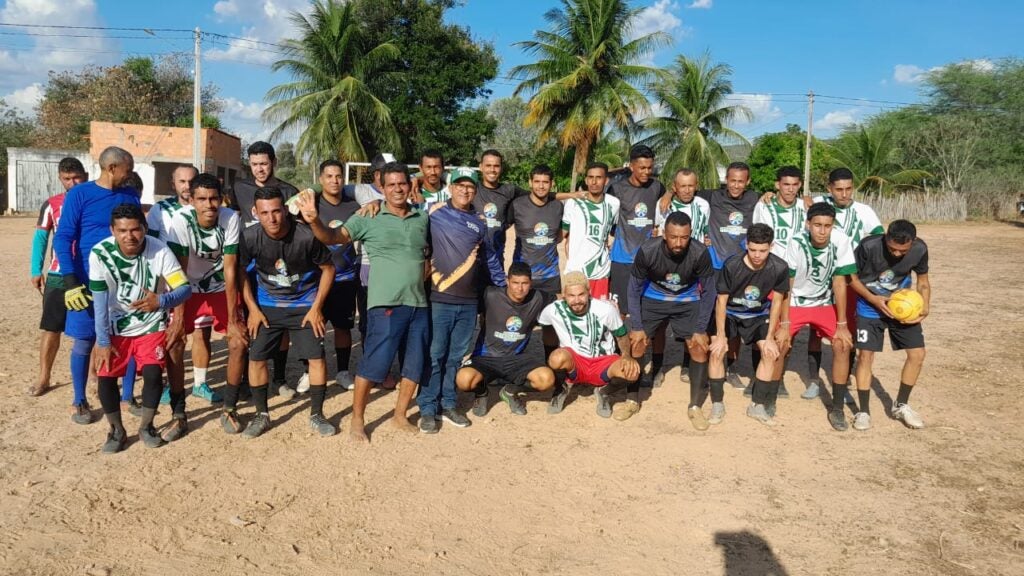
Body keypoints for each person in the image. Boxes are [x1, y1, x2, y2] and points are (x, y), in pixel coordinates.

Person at [294, 162, 430, 443]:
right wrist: (314, 221)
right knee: (372, 365)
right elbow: (334, 237)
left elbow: (426, 255)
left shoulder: (421, 217)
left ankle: (400, 415)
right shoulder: (369, 215)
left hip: (419, 303)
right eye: (391, 185)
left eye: (402, 184)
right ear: (382, 187)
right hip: (384, 304)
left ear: (410, 185)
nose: (397, 189)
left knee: (414, 363)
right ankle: (358, 419)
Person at [89, 203, 191, 453]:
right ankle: (116, 430)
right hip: (114, 325)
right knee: (106, 376)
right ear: (112, 230)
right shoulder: (99, 254)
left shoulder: (160, 250)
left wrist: (161, 301)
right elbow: (99, 304)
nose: (130, 236)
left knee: (153, 375)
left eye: (135, 229)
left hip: (151, 322)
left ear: (145, 228)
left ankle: (147, 426)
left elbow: (184, 289)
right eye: (122, 230)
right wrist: (103, 342)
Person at [53, 146, 141, 425]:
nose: (131, 173)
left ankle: (128, 396)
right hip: (87, 281)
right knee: (84, 340)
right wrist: (71, 281)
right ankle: (79, 400)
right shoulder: (80, 194)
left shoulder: (130, 195)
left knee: (129, 336)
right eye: (128, 168)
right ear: (112, 168)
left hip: (125, 281)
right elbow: (63, 238)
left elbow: (139, 234)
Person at [239, 187, 336, 439]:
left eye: (276, 211)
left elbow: (328, 269)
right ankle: (261, 415)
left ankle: (317, 414)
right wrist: (252, 309)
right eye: (264, 213)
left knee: (317, 358)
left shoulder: (306, 236)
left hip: (303, 306)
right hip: (267, 307)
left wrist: (316, 308)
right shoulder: (249, 237)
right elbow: (240, 273)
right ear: (255, 212)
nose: (271, 218)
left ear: (285, 210)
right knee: (256, 359)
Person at [420, 167, 507, 433]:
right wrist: (374, 204)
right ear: (450, 187)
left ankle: (448, 404)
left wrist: (503, 286)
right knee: (435, 355)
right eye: (460, 185)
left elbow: (490, 258)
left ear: (475, 191)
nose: (465, 190)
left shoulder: (480, 222)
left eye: (470, 186)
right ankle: (427, 407)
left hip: (468, 302)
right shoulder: (433, 212)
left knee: (455, 357)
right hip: (439, 298)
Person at [165, 173, 248, 436]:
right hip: (187, 287)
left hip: (220, 286)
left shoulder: (230, 218)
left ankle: (230, 408)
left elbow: (230, 267)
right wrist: (178, 320)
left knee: (238, 341)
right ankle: (179, 413)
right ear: (191, 200)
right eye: (202, 199)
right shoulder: (180, 220)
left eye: (214, 199)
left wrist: (233, 318)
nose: (209, 205)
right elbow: (179, 270)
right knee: (174, 343)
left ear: (221, 199)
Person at [627, 212, 715, 425]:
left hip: (687, 299)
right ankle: (631, 399)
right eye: (673, 237)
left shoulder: (700, 253)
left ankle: (695, 406)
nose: (678, 243)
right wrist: (637, 326)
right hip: (654, 297)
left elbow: (709, 291)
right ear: (664, 234)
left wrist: (701, 328)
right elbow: (633, 289)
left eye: (684, 237)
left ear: (690, 235)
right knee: (637, 343)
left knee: (698, 346)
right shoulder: (648, 250)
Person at [229, 141, 301, 395]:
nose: (259, 169)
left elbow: (297, 228)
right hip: (248, 265)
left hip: (277, 267)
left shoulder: (289, 190)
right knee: (249, 321)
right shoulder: (239, 188)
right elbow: (231, 219)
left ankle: (279, 378)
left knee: (279, 324)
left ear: (274, 163)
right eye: (254, 164)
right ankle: (247, 378)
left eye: (264, 164)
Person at [779, 202, 857, 431]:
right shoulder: (795, 242)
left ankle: (837, 408)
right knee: (780, 342)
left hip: (824, 302)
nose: (822, 231)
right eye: (817, 225)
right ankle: (769, 394)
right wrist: (785, 322)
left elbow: (840, 282)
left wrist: (842, 324)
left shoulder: (841, 241)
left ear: (833, 226)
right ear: (808, 224)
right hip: (796, 301)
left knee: (842, 344)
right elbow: (787, 284)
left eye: (827, 226)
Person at [293, 160, 368, 394]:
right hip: (315, 280)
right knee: (313, 327)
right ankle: (309, 372)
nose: (334, 181)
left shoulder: (354, 205)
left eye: (338, 176)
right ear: (321, 180)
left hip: (345, 278)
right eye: (329, 176)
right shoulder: (310, 204)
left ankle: (343, 371)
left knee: (343, 327)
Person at [848, 220, 930, 430]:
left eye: (903, 251)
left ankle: (901, 405)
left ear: (912, 243)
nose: (896, 254)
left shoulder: (920, 249)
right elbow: (852, 278)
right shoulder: (868, 246)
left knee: (917, 354)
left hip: (902, 307)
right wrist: (873, 299)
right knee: (865, 356)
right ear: (886, 238)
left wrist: (925, 306)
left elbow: (922, 281)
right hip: (869, 307)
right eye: (892, 248)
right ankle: (863, 411)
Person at [708, 223, 791, 426]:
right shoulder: (732, 265)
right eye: (753, 249)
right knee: (717, 351)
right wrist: (720, 335)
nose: (757, 255)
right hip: (730, 313)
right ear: (746, 244)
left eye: (762, 250)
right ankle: (717, 404)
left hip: (757, 314)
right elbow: (721, 301)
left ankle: (757, 405)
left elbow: (777, 303)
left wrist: (770, 337)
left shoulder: (780, 267)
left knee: (770, 353)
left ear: (771, 247)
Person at [455, 262, 554, 416]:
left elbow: (563, 300)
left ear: (531, 283)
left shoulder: (539, 298)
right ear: (507, 281)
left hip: (516, 359)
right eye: (515, 282)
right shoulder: (490, 295)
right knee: (464, 380)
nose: (520, 288)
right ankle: (481, 393)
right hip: (486, 357)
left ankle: (511, 391)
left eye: (524, 283)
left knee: (546, 379)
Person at [539, 271, 640, 418]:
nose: (576, 300)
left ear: (589, 292)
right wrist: (549, 362)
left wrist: (626, 355)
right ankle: (561, 389)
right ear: (563, 295)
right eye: (571, 295)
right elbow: (547, 333)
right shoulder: (552, 310)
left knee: (633, 373)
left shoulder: (606, 310)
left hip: (603, 361)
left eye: (581, 294)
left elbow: (622, 335)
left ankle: (604, 392)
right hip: (575, 362)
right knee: (556, 358)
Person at [696, 162, 760, 390]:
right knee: (709, 318)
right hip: (714, 267)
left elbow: (779, 198)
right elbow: (684, 190)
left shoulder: (755, 199)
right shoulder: (712, 196)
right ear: (726, 180)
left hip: (741, 268)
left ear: (748, 182)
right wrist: (666, 195)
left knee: (734, 318)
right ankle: (708, 367)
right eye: (732, 180)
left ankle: (731, 368)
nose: (736, 185)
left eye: (741, 181)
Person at [29, 157, 87, 397]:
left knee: (92, 329)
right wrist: (36, 269)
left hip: (88, 273)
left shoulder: (94, 199)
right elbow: (41, 238)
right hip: (58, 274)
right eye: (67, 179)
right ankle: (44, 377)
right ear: (60, 179)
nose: (73, 183)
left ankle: (94, 376)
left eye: (77, 178)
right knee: (51, 328)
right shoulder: (52, 204)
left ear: (85, 175)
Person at [608, 145, 665, 319]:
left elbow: (664, 212)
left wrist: (669, 194)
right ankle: (617, 338)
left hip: (648, 259)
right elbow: (609, 222)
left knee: (645, 308)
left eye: (649, 167)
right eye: (642, 168)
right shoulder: (616, 189)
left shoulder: (657, 187)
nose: (646, 172)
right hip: (622, 259)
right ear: (632, 166)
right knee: (619, 309)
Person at [561, 162, 620, 299]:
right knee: (576, 309)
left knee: (598, 310)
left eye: (599, 177)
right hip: (576, 271)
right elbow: (563, 234)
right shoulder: (573, 203)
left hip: (601, 271)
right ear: (586, 180)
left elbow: (613, 231)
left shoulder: (614, 203)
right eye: (590, 177)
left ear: (606, 180)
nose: (594, 182)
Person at [510, 164, 563, 302]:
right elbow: (500, 229)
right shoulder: (517, 205)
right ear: (530, 182)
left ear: (552, 183)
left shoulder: (558, 206)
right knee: (523, 315)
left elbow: (560, 236)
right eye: (537, 181)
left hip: (551, 276)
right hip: (523, 277)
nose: (541, 186)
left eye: (545, 182)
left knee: (551, 314)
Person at [475, 149, 528, 267]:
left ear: (501, 168)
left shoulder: (509, 190)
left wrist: (568, 195)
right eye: (488, 165)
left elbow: (536, 195)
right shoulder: (472, 188)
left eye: (496, 166)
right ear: (481, 167)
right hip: (473, 261)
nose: (492, 170)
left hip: (496, 261)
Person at [753, 166, 806, 260]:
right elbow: (758, 239)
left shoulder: (805, 207)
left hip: (797, 264)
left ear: (800, 185)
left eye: (795, 184)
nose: (791, 189)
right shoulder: (763, 206)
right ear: (777, 185)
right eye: (786, 184)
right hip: (771, 264)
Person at [655, 168, 710, 244]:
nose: (687, 191)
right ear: (674, 187)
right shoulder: (664, 203)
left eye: (690, 186)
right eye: (683, 186)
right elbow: (656, 229)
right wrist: (668, 193)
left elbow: (706, 231)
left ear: (696, 186)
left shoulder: (704, 205)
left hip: (696, 250)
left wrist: (707, 240)